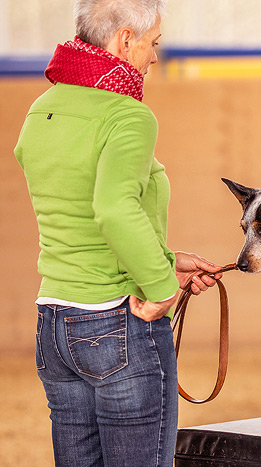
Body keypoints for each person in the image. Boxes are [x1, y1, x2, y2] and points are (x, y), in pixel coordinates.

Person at [14, 1, 223, 465]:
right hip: (117, 325)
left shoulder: (42, 108)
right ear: (126, 39)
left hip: (54, 324)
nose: (154, 58)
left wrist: (167, 259)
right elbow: (112, 209)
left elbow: (78, 217)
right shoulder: (128, 115)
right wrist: (162, 286)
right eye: (153, 45)